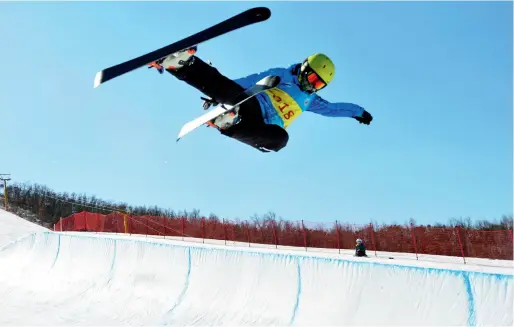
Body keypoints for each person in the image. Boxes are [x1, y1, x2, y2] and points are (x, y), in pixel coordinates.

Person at [149, 46, 373, 152]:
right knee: (231, 91)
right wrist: (215, 95)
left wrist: (358, 112)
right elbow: (249, 80)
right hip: (252, 106)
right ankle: (182, 65)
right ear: (305, 67)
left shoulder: (311, 100)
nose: (311, 85)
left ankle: (230, 123)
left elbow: (334, 109)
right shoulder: (284, 75)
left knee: (281, 140)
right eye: (312, 78)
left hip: (263, 128)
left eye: (318, 84)